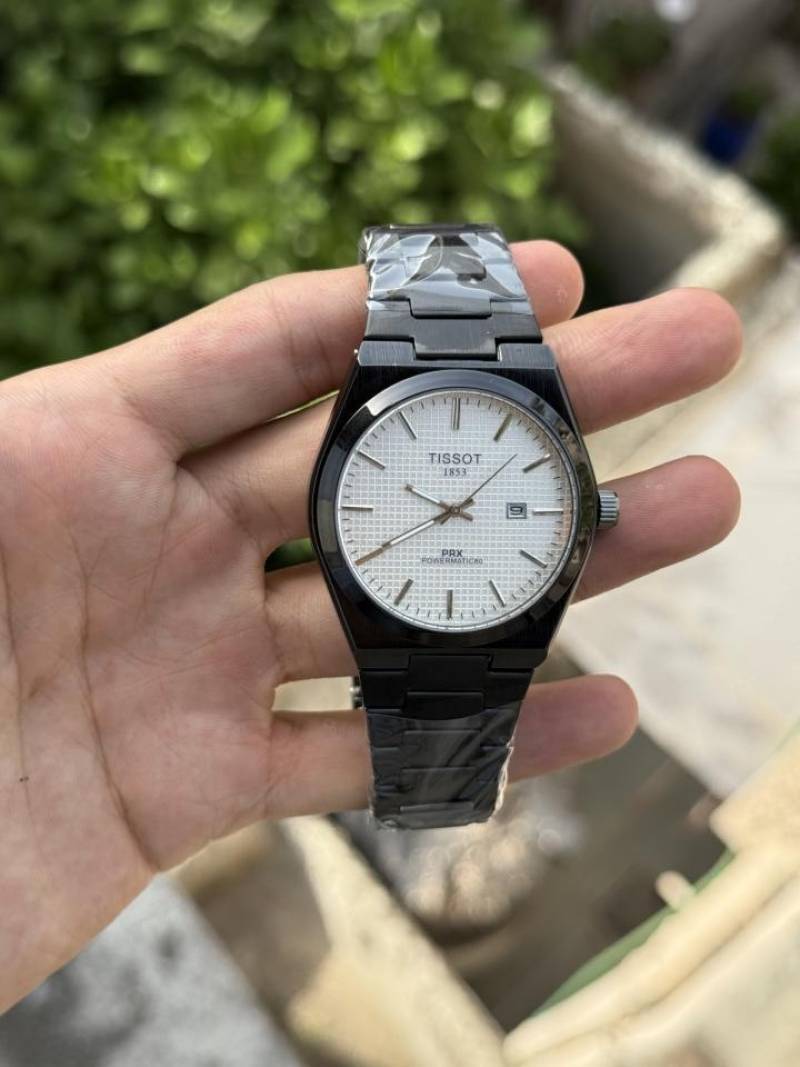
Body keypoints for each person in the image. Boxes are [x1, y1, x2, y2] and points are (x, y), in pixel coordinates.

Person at [0, 240, 741, 1011]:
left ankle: (442, 788)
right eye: (446, 507)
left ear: (588, 511)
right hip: (427, 598)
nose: (454, 512)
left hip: (461, 595)